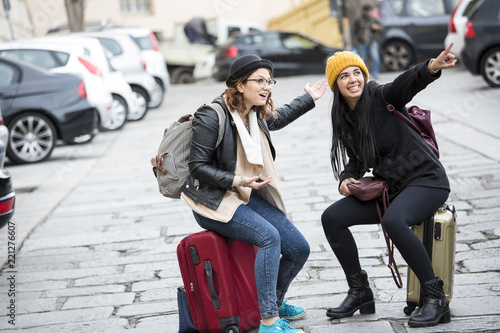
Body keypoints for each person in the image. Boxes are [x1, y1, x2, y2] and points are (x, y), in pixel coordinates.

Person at [181, 54, 327, 333]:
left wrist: (309, 98)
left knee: (299, 249)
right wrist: (238, 180)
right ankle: (269, 321)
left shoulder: (253, 111)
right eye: (259, 80)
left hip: (246, 194)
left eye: (269, 80)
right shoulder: (211, 115)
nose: (267, 86)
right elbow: (197, 167)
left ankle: (276, 300)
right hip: (214, 203)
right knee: (269, 237)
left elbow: (279, 117)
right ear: (238, 84)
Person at [321, 44, 457, 328]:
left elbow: (405, 84)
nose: (353, 79)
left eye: (357, 72)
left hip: (427, 180)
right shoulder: (346, 119)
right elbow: (358, 160)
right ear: (337, 85)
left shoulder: (382, 96)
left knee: (395, 221)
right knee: (332, 218)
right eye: (344, 76)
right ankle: (360, 292)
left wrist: (431, 67)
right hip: (394, 189)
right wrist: (346, 178)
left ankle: (435, 298)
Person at [353, 4, 383, 79]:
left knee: (375, 57)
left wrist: (376, 28)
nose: (368, 12)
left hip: (372, 41)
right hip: (362, 41)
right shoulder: (358, 19)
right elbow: (354, 31)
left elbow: (381, 27)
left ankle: (375, 73)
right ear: (364, 11)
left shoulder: (373, 19)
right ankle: (364, 74)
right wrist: (356, 41)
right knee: (363, 59)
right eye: (367, 11)